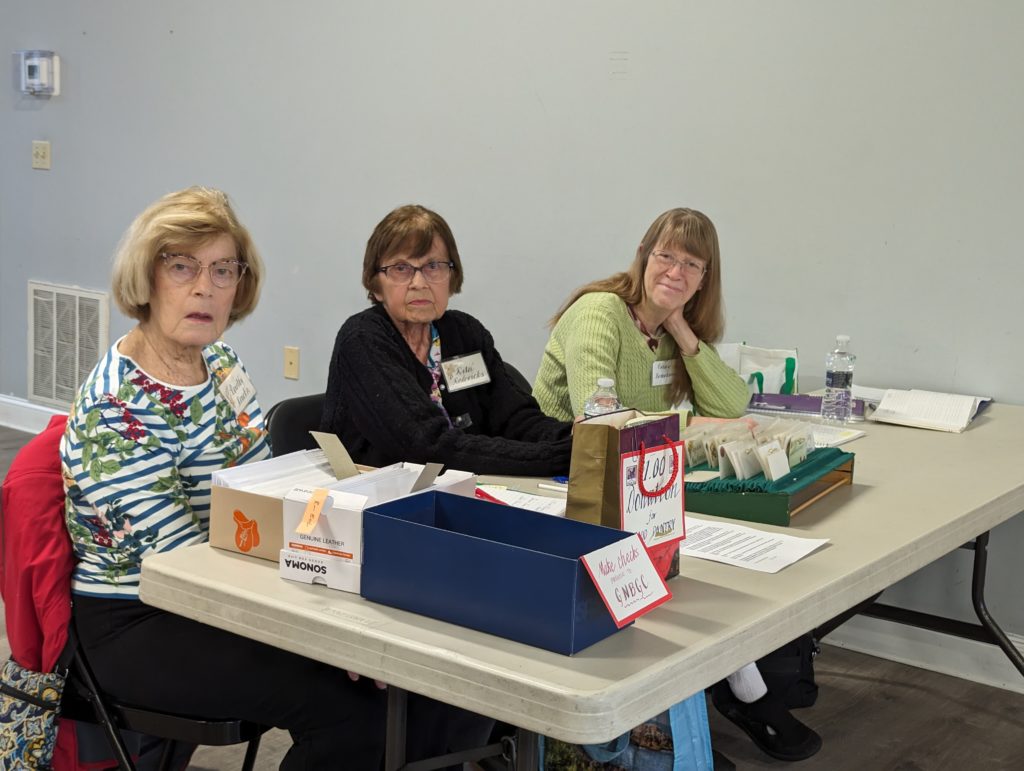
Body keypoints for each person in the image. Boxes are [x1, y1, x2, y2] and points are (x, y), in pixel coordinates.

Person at [61, 187, 388, 770]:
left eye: (222, 269)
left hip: (225, 585)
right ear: (148, 276)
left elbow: (262, 498)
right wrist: (322, 632)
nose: (204, 287)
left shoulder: (222, 364)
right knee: (351, 707)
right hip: (140, 616)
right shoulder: (118, 404)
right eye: (182, 266)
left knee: (407, 682)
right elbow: (182, 566)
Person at [534, 208, 821, 765]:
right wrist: (696, 428)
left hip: (635, 485)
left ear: (705, 278)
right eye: (666, 255)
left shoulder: (666, 331)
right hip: (560, 484)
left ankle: (713, 711)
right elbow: (601, 416)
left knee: (701, 567)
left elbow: (733, 404)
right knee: (678, 572)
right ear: (643, 254)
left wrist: (682, 330)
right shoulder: (600, 312)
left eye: (693, 263)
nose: (676, 270)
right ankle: (733, 704)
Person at [321, 203, 573, 477]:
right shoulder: (363, 340)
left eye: (433, 266)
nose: (419, 282)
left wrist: (576, 438)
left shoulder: (464, 332)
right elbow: (427, 447)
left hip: (464, 489)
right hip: (377, 501)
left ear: (452, 276)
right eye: (401, 268)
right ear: (375, 284)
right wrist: (559, 456)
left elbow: (515, 419)